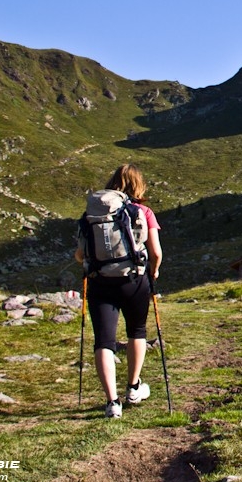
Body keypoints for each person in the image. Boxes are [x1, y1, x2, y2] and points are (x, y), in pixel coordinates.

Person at [75, 164, 163, 418]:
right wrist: (153, 271)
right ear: (138, 185)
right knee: (137, 331)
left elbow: (79, 254)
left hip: (100, 281)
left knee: (104, 340)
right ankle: (133, 388)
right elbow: (156, 252)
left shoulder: (91, 214)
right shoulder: (143, 212)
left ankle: (112, 402)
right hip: (134, 281)